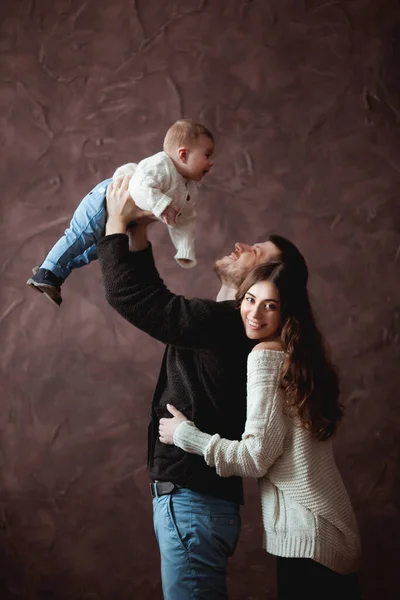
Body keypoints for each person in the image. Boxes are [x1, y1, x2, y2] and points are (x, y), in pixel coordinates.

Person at [96, 175, 309, 600]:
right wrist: (137, 231)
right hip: (201, 505)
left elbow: (133, 297)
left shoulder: (229, 323)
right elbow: (158, 299)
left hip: (193, 503)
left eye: (257, 253)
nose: (240, 246)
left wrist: (117, 223)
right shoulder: (225, 323)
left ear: (268, 282)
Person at [159, 261, 362, 599]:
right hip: (332, 531)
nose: (254, 313)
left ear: (288, 313)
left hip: (307, 537)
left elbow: (255, 458)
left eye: (271, 305)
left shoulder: (265, 355)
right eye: (250, 299)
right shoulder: (302, 357)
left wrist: (186, 435)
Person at [26, 119, 215, 306]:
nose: (211, 163)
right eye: (207, 155)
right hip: (105, 199)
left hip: (125, 218)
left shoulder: (189, 190)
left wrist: (184, 248)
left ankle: (54, 273)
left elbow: (185, 220)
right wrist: (162, 205)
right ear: (183, 154)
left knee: (93, 251)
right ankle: (46, 272)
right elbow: (141, 186)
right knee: (79, 237)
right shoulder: (161, 164)